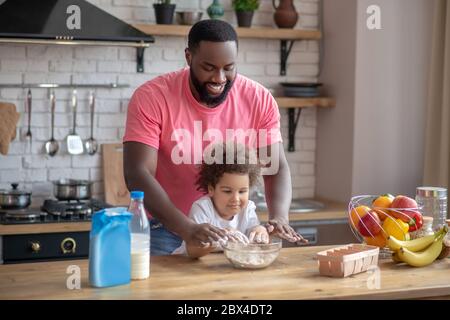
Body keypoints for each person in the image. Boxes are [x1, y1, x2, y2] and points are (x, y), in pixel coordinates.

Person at [123, 19, 306, 256]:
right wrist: (187, 228)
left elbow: (276, 166)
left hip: (235, 233)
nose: (219, 78)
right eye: (208, 67)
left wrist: (279, 217)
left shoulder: (259, 99)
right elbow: (137, 173)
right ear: (189, 57)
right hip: (165, 230)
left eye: (228, 67)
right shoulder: (152, 98)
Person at [175, 143, 270, 258]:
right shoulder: (203, 208)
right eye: (227, 191)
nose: (236, 199)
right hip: (186, 266)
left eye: (242, 191)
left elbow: (253, 233)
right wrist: (218, 239)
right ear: (211, 189)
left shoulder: (248, 209)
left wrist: (259, 231)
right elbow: (193, 250)